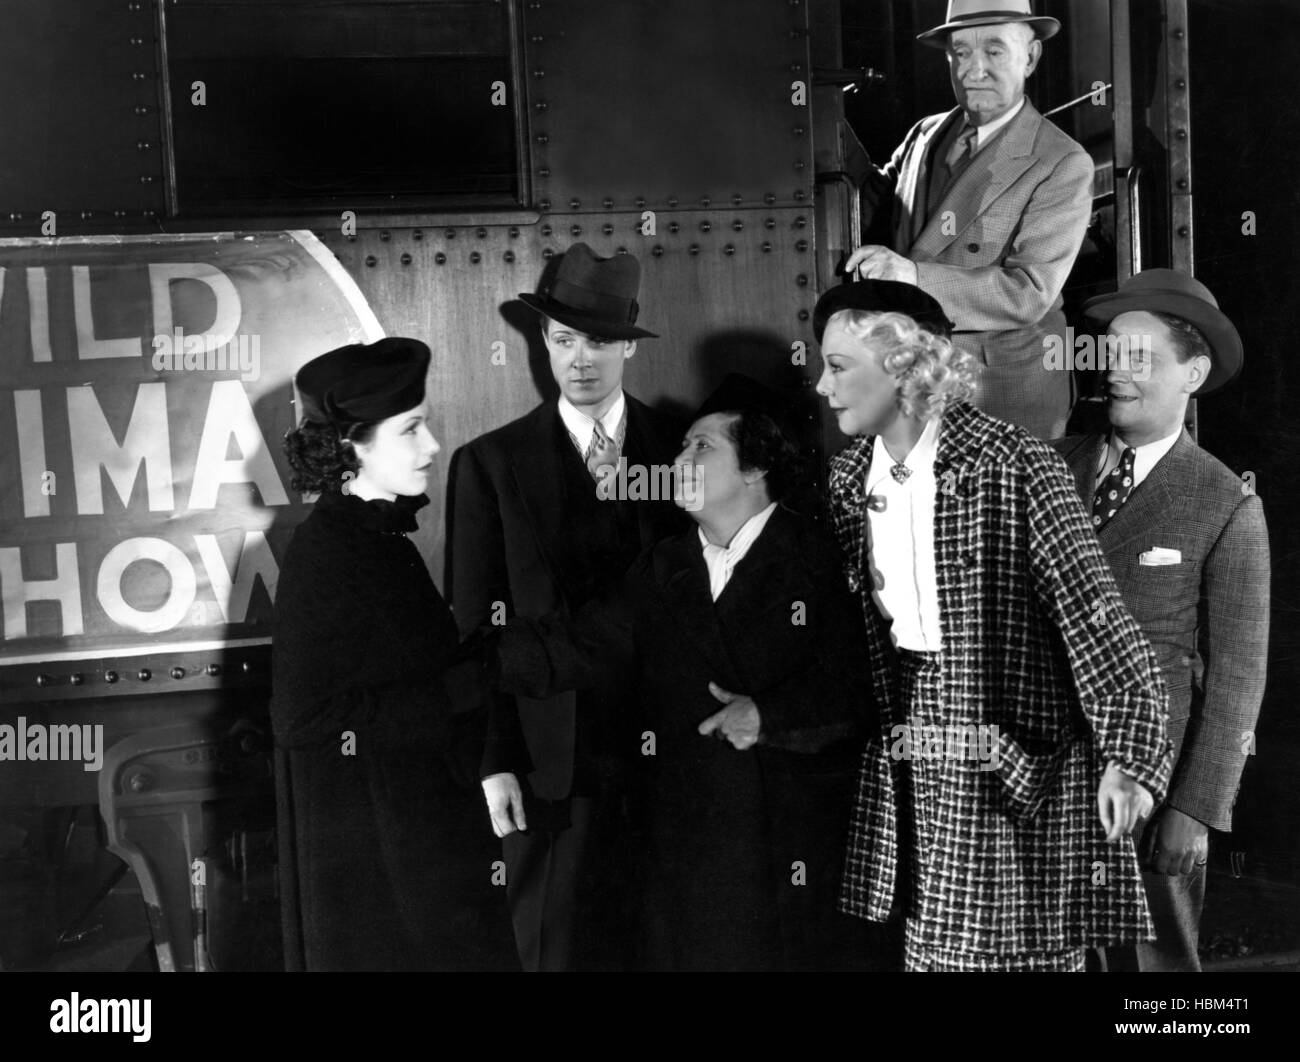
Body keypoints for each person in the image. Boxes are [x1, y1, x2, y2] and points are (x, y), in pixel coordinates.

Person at [814, 278, 1172, 972]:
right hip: (911, 756)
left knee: (1017, 956)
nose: (823, 389)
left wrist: (1130, 761)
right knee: (932, 951)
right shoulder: (847, 479)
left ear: (901, 365)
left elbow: (1095, 615)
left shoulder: (1015, 464)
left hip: (1010, 755)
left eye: (837, 366)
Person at [491, 376, 873, 970]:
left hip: (793, 855)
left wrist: (768, 715)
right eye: (681, 448)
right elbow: (570, 648)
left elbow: (862, 689)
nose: (680, 460)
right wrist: (447, 655)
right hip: (686, 855)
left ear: (756, 468)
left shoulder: (821, 558)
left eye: (702, 447)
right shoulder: (663, 566)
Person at [448, 243, 684, 971]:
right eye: (564, 339)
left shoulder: (683, 449)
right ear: (542, 343)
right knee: (553, 953)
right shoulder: (490, 464)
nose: (582, 359)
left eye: (603, 342)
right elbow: (471, 630)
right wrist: (493, 763)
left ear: (630, 349)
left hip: (669, 759)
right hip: (549, 763)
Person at [1053, 269, 1270, 972]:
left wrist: (1195, 809)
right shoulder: (1050, 467)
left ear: (1194, 372)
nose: (1114, 371)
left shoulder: (1223, 502)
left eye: (1139, 357)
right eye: (1108, 352)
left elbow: (1238, 674)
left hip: (1149, 798)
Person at [271, 337, 511, 971]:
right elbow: (304, 719)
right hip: (382, 863)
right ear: (352, 444)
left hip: (419, 838)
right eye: (411, 430)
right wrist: (452, 694)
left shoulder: (375, 536)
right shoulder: (325, 552)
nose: (432, 446)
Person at [845, 0, 1092, 440]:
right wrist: (823, 117)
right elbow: (867, 201)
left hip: (999, 395)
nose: (973, 70)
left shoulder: (1062, 162)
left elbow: (1029, 293)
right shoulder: (926, 134)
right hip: (914, 379)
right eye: (960, 53)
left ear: (1031, 57)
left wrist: (911, 274)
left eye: (994, 51)